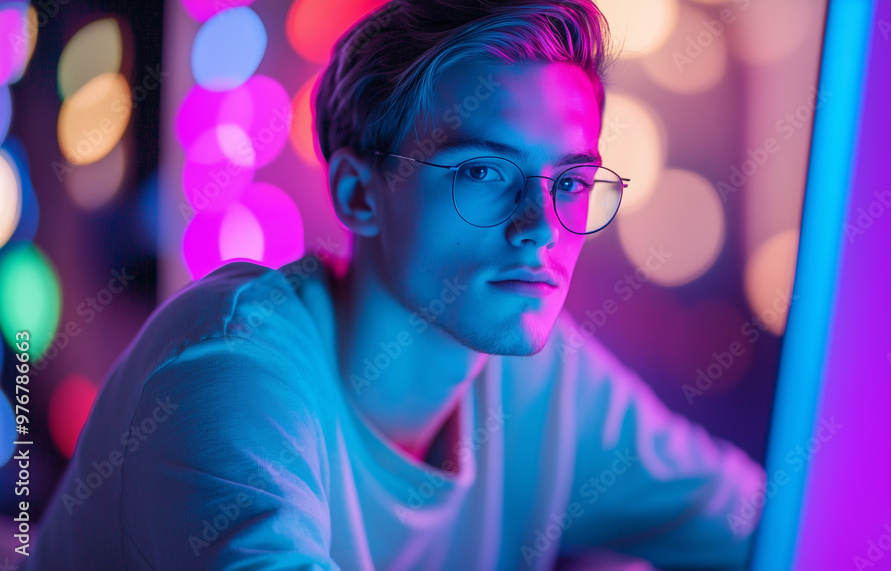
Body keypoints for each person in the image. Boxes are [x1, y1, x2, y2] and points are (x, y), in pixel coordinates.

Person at [28, 1, 765, 569]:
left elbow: (777, 529)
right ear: (358, 193)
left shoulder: (547, 382)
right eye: (482, 171)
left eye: (570, 180)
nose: (541, 226)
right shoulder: (231, 369)